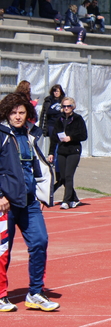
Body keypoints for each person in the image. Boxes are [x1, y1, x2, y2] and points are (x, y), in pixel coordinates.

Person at [0, 92, 59, 312]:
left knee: (40, 242)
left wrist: (42, 192)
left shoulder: (30, 134)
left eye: (22, 112)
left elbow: (36, 166)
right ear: (6, 113)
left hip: (29, 201)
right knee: (3, 250)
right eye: (13, 113)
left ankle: (35, 293)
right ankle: (0, 295)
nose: (17, 116)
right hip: (6, 203)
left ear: (28, 114)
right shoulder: (1, 134)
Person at [48, 96, 87, 210]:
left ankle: (66, 200)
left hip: (73, 150)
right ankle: (74, 199)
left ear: (73, 107)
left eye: (68, 106)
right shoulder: (59, 119)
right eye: (64, 106)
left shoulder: (78, 119)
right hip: (62, 150)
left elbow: (83, 135)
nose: (66, 108)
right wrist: (51, 153)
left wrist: (71, 138)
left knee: (69, 175)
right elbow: (54, 137)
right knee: (63, 177)